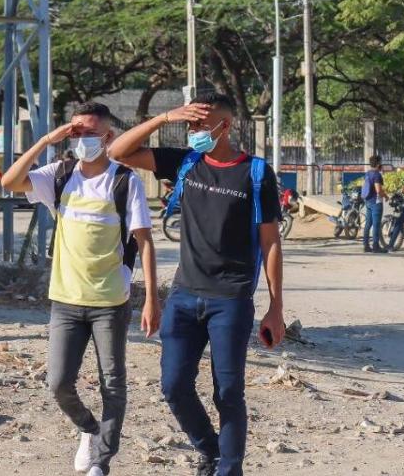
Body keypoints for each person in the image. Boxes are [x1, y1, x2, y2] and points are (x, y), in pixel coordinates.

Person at [107, 92, 285, 476]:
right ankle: (211, 449)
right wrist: (163, 118)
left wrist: (275, 308)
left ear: (226, 125)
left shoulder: (256, 173)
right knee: (173, 386)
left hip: (231, 299)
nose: (194, 131)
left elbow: (271, 243)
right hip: (184, 296)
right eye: (189, 124)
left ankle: (229, 469)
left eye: (201, 125)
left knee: (228, 392)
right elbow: (118, 151)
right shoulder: (185, 163)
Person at [0, 102, 159, 476]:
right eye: (76, 132)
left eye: (90, 133)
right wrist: (47, 140)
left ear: (108, 137)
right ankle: (89, 428)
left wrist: (152, 299)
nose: (83, 139)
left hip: (110, 301)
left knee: (113, 382)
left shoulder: (125, 181)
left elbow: (145, 242)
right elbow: (9, 182)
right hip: (66, 300)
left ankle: (101, 462)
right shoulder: (60, 174)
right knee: (58, 383)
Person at [362, 155, 387, 253]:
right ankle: (376, 246)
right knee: (376, 225)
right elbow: (378, 190)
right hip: (376, 203)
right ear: (378, 164)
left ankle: (366, 245)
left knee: (368, 224)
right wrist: (386, 196)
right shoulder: (377, 175)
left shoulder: (368, 173)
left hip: (368, 201)